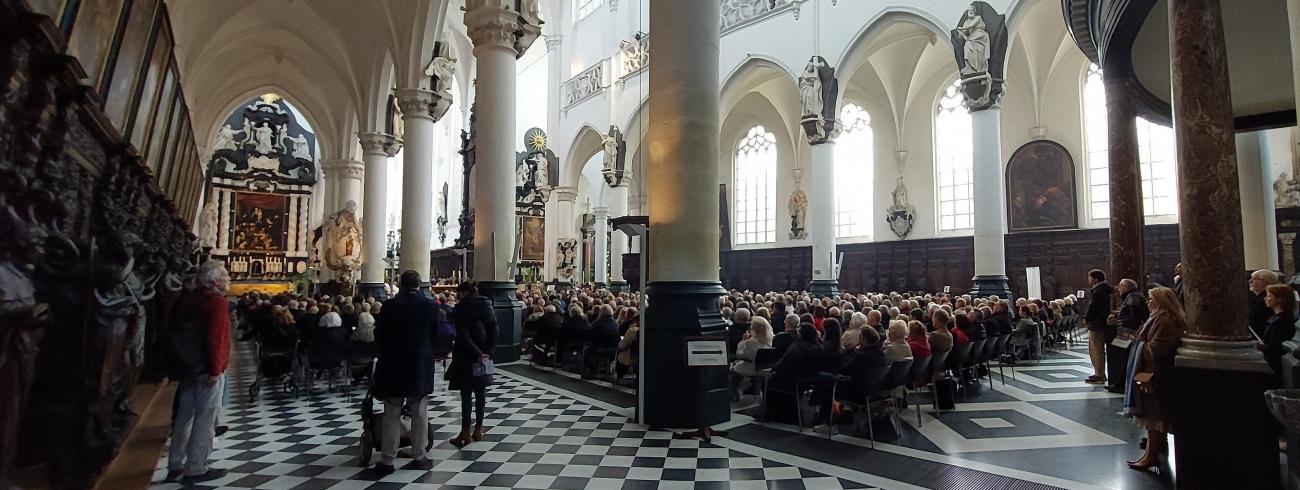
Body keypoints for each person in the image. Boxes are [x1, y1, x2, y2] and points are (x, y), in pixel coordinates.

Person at [165, 261, 231, 484]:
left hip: (187, 366)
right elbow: (215, 338)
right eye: (225, 277)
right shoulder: (216, 303)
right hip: (207, 369)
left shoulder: (187, 299)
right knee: (205, 419)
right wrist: (215, 368)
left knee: (184, 417)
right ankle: (196, 467)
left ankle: (175, 464)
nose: (228, 281)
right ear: (214, 281)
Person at [369, 271, 441, 474]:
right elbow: (436, 334)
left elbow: (380, 334)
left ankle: (387, 459)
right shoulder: (430, 306)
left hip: (393, 365)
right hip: (419, 364)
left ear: (400, 284)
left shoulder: (390, 306)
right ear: (419, 285)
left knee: (392, 412)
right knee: (419, 412)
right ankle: (419, 455)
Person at [1123, 287, 1186, 471]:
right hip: (1153, 372)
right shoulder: (1158, 317)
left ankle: (1151, 455)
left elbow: (1159, 348)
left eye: (1151, 299)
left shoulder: (1165, 320)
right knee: (1152, 417)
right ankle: (1151, 453)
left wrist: (1139, 344)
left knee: (1154, 415)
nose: (1147, 302)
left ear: (1162, 301)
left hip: (1157, 374)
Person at [447, 282, 497, 448]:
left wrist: (476, 353)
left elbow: (463, 334)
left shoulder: (462, 307)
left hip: (466, 355)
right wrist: (488, 351)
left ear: (464, 292)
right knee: (481, 392)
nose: (458, 296)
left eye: (459, 293)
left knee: (466, 394)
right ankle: (478, 428)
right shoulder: (487, 303)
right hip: (484, 352)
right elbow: (493, 328)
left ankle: (465, 432)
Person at [767, 324, 823, 424]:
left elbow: (783, 365)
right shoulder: (819, 347)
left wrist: (775, 369)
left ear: (801, 334)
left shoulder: (796, 348)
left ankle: (771, 412)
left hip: (795, 379)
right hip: (810, 379)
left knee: (769, 381)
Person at [1108, 278, 1149, 393]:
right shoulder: (1132, 296)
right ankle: (1120, 383)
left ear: (1126, 287)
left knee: (1125, 359)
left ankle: (1121, 385)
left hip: (1128, 333)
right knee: (1124, 358)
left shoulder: (1133, 297)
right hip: (1127, 331)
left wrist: (1129, 332)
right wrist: (1117, 315)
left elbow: (1134, 316)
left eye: (1120, 286)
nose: (1118, 288)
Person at [1260, 283, 1298, 378]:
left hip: (1274, 365)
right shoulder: (1278, 317)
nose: (1265, 299)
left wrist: (1255, 345)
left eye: (1269, 296)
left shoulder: (1281, 321)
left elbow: (1272, 348)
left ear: (1280, 299)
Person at [1084, 269, 1114, 384]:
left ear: (1096, 279)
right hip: (1100, 323)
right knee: (1097, 349)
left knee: (1096, 350)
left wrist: (1087, 318)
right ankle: (1099, 373)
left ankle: (1100, 374)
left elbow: (1094, 307)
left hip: (1097, 324)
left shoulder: (1099, 290)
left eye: (1090, 277)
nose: (1088, 279)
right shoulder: (1103, 289)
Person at [1249, 269, 1280, 336]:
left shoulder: (1264, 301)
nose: (1250, 281)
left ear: (1264, 282)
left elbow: (1254, 322)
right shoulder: (1257, 299)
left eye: (1254, 279)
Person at [615, 312, 640, 382]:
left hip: (632, 356)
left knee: (621, 355)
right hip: (643, 356)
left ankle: (619, 376)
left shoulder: (632, 330)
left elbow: (622, 345)